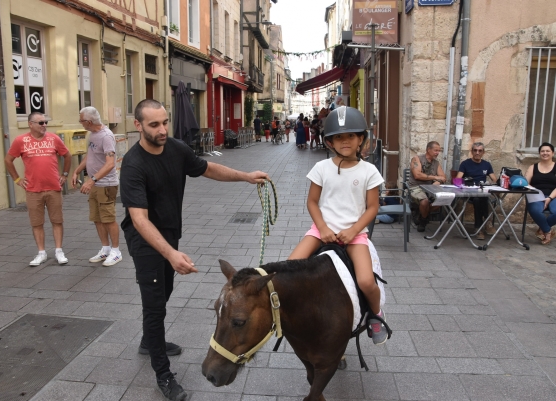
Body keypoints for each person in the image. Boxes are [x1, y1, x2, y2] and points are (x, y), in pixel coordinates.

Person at [120, 99, 269, 401]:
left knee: (165, 293)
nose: (162, 129)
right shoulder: (133, 164)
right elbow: (139, 219)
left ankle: (151, 340)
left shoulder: (175, 148)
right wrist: (170, 254)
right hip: (145, 239)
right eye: (154, 125)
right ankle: (163, 373)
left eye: (165, 122)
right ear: (138, 125)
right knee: (154, 305)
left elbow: (207, 168)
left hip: (170, 232)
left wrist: (245, 176)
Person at [288, 106, 387, 345]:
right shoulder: (322, 168)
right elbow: (312, 202)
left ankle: (376, 314)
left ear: (361, 139)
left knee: (365, 281)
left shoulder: (369, 171)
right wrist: (322, 228)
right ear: (330, 141)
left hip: (355, 235)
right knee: (289, 269)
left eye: (350, 136)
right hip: (321, 230)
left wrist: (354, 230)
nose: (345, 141)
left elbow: (373, 207)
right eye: (339, 137)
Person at [5, 112, 72, 266]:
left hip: (53, 188)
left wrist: (65, 174)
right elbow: (8, 160)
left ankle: (59, 251)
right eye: (40, 123)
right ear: (30, 124)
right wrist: (17, 179)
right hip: (33, 190)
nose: (44, 125)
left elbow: (67, 155)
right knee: (37, 223)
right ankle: (41, 253)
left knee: (57, 220)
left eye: (45, 122)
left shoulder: (53, 138)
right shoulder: (20, 140)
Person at [72, 107, 123, 266]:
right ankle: (105, 249)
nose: (80, 123)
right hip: (95, 184)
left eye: (81, 120)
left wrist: (91, 180)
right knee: (97, 218)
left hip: (106, 184)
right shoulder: (93, 135)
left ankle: (116, 251)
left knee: (108, 219)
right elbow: (91, 154)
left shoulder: (106, 136)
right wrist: (77, 170)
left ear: (88, 121)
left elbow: (110, 164)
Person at [456, 142, 498, 240]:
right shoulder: (465, 164)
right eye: (475, 150)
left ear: (483, 152)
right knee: (477, 199)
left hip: (482, 192)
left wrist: (493, 183)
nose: (477, 153)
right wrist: (463, 184)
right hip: (469, 193)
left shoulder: (486, 165)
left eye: (480, 151)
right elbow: (458, 179)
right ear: (472, 151)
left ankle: (479, 226)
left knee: (481, 198)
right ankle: (483, 225)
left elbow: (494, 180)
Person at [409, 141, 447, 232]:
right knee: (425, 202)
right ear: (428, 149)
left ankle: (420, 214)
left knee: (442, 200)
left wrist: (437, 182)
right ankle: (423, 221)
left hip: (431, 188)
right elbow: (417, 175)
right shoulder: (417, 159)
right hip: (416, 187)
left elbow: (443, 178)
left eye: (439, 151)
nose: (437, 153)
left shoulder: (436, 163)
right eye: (435, 150)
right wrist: (435, 177)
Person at [525, 142, 556, 245]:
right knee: (535, 210)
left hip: (554, 195)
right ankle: (547, 231)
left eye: (548, 151)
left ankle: (542, 229)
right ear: (539, 153)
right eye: (542, 151)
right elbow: (526, 184)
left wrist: (550, 198)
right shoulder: (532, 167)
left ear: (553, 153)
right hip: (536, 195)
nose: (545, 153)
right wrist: (534, 190)